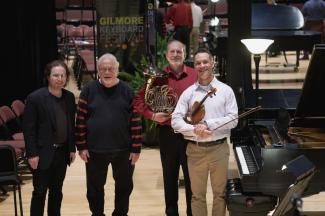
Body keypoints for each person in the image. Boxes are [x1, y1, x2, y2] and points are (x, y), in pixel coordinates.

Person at [133, 40, 198, 216]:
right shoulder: (158, 75)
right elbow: (138, 100)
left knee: (192, 179)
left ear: (185, 55)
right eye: (172, 52)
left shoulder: (194, 75)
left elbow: (207, 98)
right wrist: (152, 116)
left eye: (179, 52)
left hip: (189, 135)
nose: (175, 55)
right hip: (167, 134)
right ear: (167, 55)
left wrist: (197, 113)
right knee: (169, 178)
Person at [171, 48, 238, 216]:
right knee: (197, 196)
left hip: (219, 149)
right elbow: (175, 121)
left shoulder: (225, 91)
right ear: (194, 67)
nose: (202, 66)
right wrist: (195, 130)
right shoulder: (188, 93)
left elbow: (233, 119)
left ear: (212, 64)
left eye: (205, 62)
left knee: (220, 195)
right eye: (198, 63)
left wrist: (208, 124)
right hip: (195, 150)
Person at [75, 53, 142, 216]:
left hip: (124, 150)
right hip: (94, 150)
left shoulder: (127, 91)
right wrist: (81, 147)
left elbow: (135, 120)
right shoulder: (88, 90)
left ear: (117, 70)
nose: (107, 72)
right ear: (98, 71)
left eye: (110, 69)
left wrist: (136, 148)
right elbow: (80, 120)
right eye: (103, 69)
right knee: (94, 188)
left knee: (124, 187)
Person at [23, 60, 76, 216]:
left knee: (56, 191)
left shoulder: (69, 97)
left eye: (63, 76)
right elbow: (29, 129)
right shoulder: (35, 98)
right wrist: (32, 154)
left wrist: (71, 148)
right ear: (48, 77)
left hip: (62, 152)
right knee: (39, 192)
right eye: (55, 75)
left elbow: (70, 125)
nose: (60, 79)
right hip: (41, 152)